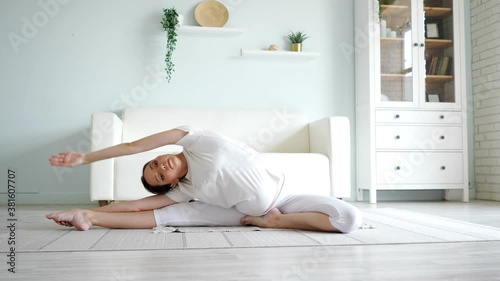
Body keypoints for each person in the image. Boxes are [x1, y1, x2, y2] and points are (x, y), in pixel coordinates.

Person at [47, 126, 362, 233]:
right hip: (239, 211)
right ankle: (87, 217)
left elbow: (134, 146)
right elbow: (136, 206)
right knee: (165, 216)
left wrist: (86, 157)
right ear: (169, 184)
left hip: (285, 194)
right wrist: (97, 210)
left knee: (348, 217)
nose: (161, 164)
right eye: (159, 174)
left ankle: (274, 223)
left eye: (156, 162)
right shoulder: (185, 190)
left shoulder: (194, 138)